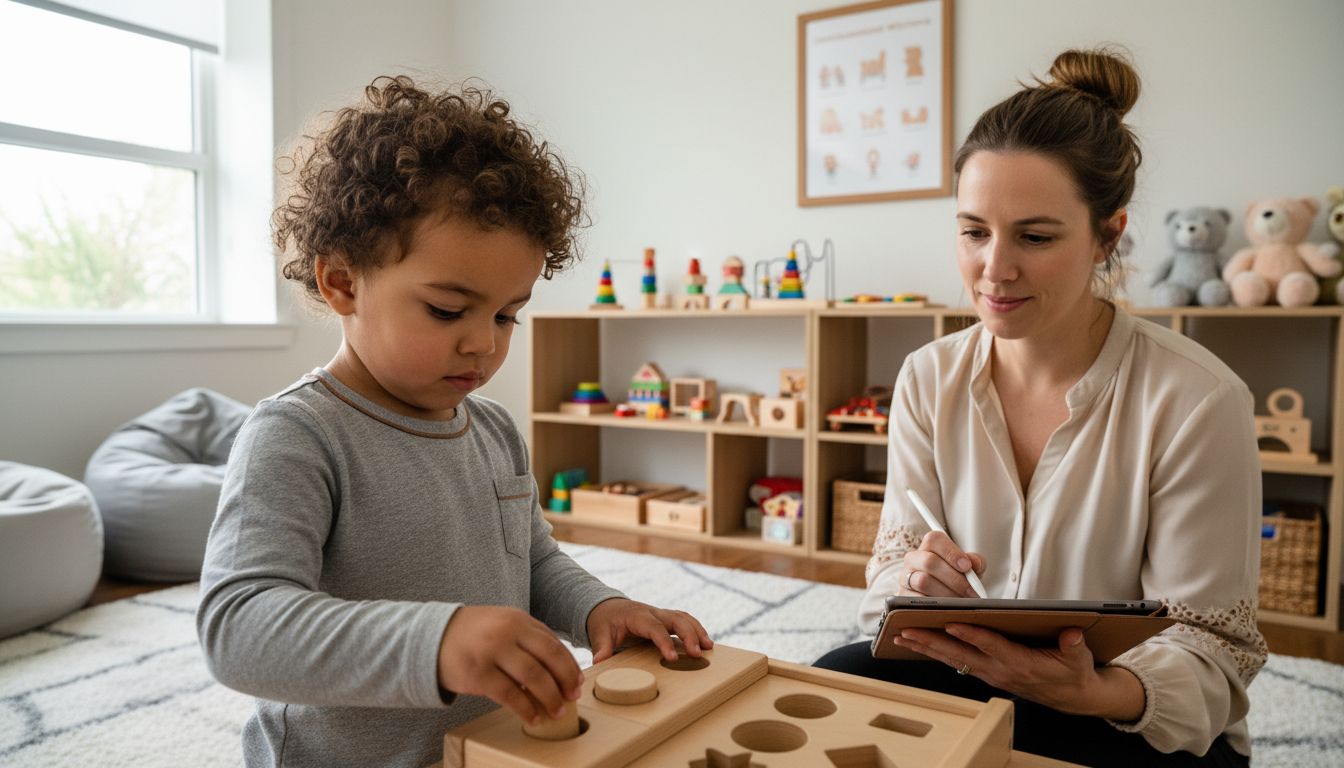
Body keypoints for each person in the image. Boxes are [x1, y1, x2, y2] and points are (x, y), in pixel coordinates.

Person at [196, 76, 712, 768]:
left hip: (490, 750)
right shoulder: (296, 435)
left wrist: (599, 609)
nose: (485, 344)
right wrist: (435, 642)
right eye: (447, 310)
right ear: (342, 282)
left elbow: (531, 563)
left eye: (506, 315)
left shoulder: (493, 430)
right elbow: (238, 627)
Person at [815, 48, 1264, 767]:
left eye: (1035, 236)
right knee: (832, 688)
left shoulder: (1198, 400)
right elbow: (889, 580)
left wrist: (1094, 689)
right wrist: (913, 583)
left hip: (1126, 714)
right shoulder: (927, 378)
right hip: (969, 672)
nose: (995, 268)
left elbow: (1216, 653)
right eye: (973, 231)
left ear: (1107, 236)